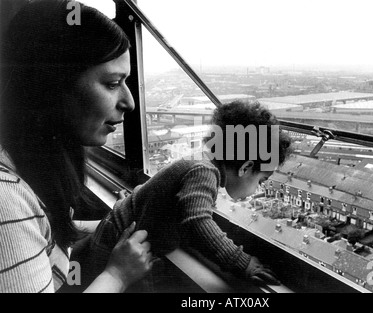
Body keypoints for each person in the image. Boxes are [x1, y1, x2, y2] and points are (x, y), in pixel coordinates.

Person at [0, 0, 153, 293]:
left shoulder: (28, 167)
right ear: (52, 85)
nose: (130, 102)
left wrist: (122, 222)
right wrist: (117, 277)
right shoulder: (5, 202)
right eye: (111, 83)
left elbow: (44, 235)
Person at [88, 100, 293, 290]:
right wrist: (243, 263)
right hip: (117, 246)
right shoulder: (205, 172)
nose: (258, 190)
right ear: (246, 167)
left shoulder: (198, 164)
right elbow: (198, 222)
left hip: (116, 238)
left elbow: (159, 197)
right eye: (261, 181)